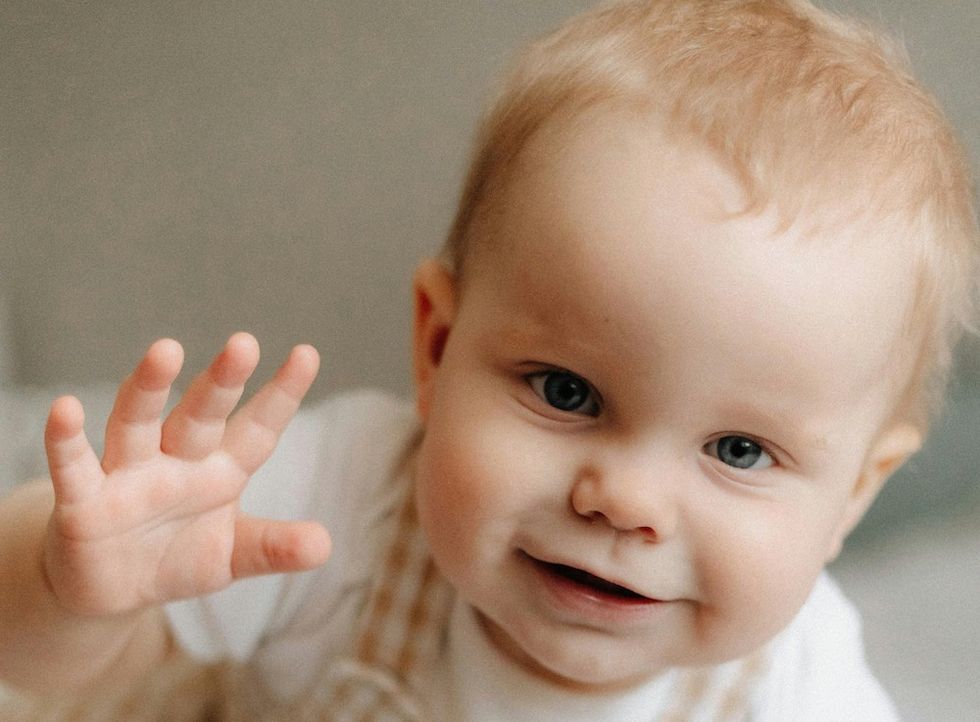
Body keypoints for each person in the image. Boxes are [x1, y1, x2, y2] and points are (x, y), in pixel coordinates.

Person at [1, 0, 977, 719]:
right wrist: (72, 586)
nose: (624, 498)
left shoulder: (796, 687)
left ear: (853, 491)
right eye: (566, 391)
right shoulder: (343, 501)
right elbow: (51, 670)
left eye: (737, 450)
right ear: (437, 344)